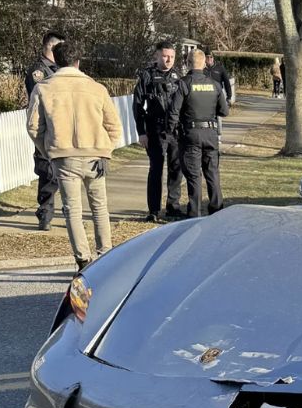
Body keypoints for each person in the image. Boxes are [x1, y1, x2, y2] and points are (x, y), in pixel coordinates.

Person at [25, 40, 122, 270]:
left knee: (72, 210)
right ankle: (105, 255)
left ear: (56, 61)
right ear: (78, 61)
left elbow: (33, 127)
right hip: (95, 154)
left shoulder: (44, 88)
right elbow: (114, 126)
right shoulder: (97, 88)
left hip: (63, 155)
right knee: (99, 207)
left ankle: (82, 259)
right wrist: (106, 151)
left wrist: (48, 151)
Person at [170, 50, 230, 217]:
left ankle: (194, 213)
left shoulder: (183, 84)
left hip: (190, 134)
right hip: (210, 133)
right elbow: (224, 112)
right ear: (204, 63)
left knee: (194, 175)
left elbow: (174, 111)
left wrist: (171, 131)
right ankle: (217, 211)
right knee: (212, 173)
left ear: (188, 63)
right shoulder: (215, 85)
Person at [133, 41, 184, 222]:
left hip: (176, 130)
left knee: (176, 169)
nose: (169, 60)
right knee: (156, 169)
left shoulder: (179, 77)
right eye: (165, 56)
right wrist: (141, 132)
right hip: (155, 128)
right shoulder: (147, 76)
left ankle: (173, 207)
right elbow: (138, 106)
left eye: (171, 56)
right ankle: (153, 210)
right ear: (157, 55)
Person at [25, 31, 64, 230]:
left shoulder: (61, 69)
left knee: (65, 171)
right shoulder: (38, 70)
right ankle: (45, 213)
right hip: (45, 127)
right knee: (47, 171)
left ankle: (69, 211)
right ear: (50, 47)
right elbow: (40, 96)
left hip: (62, 126)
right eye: (59, 47)